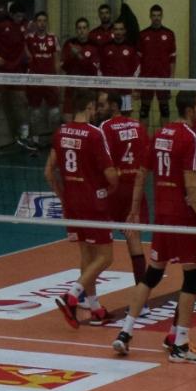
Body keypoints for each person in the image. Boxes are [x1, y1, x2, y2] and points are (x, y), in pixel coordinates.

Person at [112, 90, 196, 364]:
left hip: (162, 214)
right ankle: (180, 344)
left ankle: (125, 332)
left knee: (153, 274)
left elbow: (141, 174)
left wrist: (134, 210)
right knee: (193, 277)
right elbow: (191, 185)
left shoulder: (159, 134)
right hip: (182, 216)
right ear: (190, 110)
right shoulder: (191, 137)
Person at [47, 88, 118, 328]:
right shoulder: (95, 134)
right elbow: (110, 174)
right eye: (95, 107)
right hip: (93, 203)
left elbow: (48, 172)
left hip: (72, 203)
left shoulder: (60, 132)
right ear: (90, 107)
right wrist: (113, 186)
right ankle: (72, 296)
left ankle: (95, 308)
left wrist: (63, 196)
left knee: (87, 256)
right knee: (106, 257)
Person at [99, 90, 152, 287]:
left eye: (102, 105)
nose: (99, 109)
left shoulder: (105, 127)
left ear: (114, 106)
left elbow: (103, 160)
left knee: (98, 243)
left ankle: (84, 292)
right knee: (134, 239)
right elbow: (148, 158)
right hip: (135, 187)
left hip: (114, 189)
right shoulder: (139, 125)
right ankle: (141, 292)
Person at [0, 2, 32, 151]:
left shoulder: (25, 24)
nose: (19, 19)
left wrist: (28, 54)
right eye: (17, 16)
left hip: (16, 70)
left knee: (23, 100)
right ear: (11, 14)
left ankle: (24, 136)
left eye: (22, 16)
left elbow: (24, 41)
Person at [25, 11, 61, 146]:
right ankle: (34, 140)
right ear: (35, 23)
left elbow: (56, 59)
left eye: (44, 20)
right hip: (35, 80)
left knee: (55, 112)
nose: (42, 23)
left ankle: (55, 140)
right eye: (39, 21)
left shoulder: (52, 38)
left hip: (50, 79)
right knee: (34, 112)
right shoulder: (29, 38)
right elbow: (25, 53)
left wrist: (57, 80)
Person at [138, 5, 176, 124]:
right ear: (150, 16)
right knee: (144, 109)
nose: (156, 18)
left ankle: (163, 133)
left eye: (158, 15)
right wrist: (138, 80)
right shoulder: (143, 34)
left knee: (164, 109)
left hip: (163, 77)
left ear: (162, 16)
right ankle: (143, 135)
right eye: (154, 15)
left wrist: (171, 77)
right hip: (146, 77)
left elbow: (173, 58)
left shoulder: (169, 34)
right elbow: (138, 60)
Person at [100, 21, 140, 117]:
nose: (118, 32)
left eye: (121, 29)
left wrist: (135, 88)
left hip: (126, 91)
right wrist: (102, 88)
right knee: (108, 115)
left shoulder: (131, 48)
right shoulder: (106, 47)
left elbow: (137, 69)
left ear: (125, 31)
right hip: (110, 90)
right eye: (116, 29)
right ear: (112, 31)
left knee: (125, 116)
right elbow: (100, 68)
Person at [61, 17, 100, 116]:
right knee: (68, 117)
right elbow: (64, 67)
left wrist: (79, 56)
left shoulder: (94, 46)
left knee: (89, 118)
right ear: (76, 30)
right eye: (79, 28)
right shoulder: (69, 44)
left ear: (88, 30)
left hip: (88, 90)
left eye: (84, 28)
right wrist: (72, 56)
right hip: (71, 88)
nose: (81, 31)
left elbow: (93, 70)